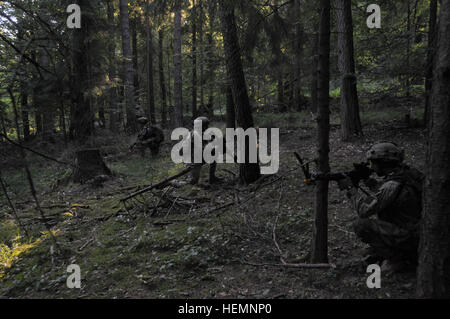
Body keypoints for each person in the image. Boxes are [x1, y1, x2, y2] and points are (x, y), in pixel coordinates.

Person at [337, 142, 424, 273]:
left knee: (361, 226)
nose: (371, 167)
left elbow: (364, 211)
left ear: (384, 163)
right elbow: (390, 200)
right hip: (419, 232)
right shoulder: (408, 174)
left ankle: (397, 259)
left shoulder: (392, 184)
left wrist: (351, 189)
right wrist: (373, 185)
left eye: (373, 163)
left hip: (410, 237)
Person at [185, 116, 221, 185]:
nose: (207, 128)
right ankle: (173, 182)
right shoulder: (193, 135)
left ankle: (212, 177)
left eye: (207, 126)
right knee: (192, 182)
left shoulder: (203, 133)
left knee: (214, 154)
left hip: (198, 156)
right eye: (205, 126)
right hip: (192, 160)